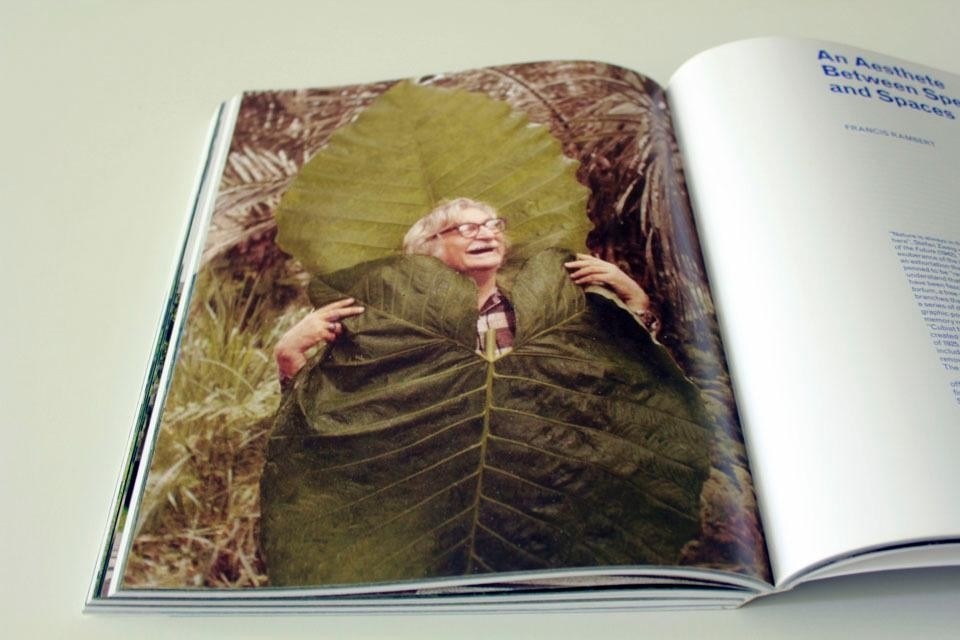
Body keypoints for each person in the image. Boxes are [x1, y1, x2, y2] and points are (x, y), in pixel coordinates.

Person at [274, 197, 659, 383]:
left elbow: (620, 376)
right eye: (468, 228)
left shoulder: (539, 309)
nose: (488, 233)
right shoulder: (390, 320)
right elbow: (341, 411)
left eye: (493, 225)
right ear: (429, 248)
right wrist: (289, 354)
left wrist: (634, 298)